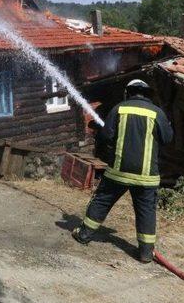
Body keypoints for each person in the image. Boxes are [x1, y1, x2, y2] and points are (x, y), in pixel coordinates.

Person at [72, 79, 173, 263]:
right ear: (147, 94)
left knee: (102, 201)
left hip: (119, 172)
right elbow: (167, 139)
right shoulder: (157, 113)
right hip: (146, 176)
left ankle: (84, 235)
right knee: (146, 212)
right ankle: (145, 253)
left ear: (128, 92)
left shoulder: (119, 109)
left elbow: (105, 136)